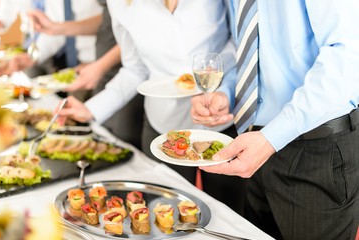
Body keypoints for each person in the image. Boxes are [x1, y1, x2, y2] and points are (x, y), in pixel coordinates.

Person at [191, 0, 359, 240]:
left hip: (316, 150)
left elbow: (347, 54)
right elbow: (249, 49)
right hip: (257, 143)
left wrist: (271, 138)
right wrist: (226, 92)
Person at [55, 0, 247, 215]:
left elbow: (239, 40)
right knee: (167, 217)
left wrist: (217, 70)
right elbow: (134, 69)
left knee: (231, 216)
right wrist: (91, 109)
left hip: (223, 117)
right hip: (165, 126)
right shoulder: (120, 5)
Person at [28, 0, 144, 150]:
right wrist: (91, 109)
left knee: (125, 143)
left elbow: (139, 39)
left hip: (116, 70)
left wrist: (100, 65)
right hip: (113, 74)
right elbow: (134, 62)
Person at [0, 0, 102, 79]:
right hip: (38, 40)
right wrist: (31, 57)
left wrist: (100, 63)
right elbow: (56, 27)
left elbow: (109, 22)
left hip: (98, 57)